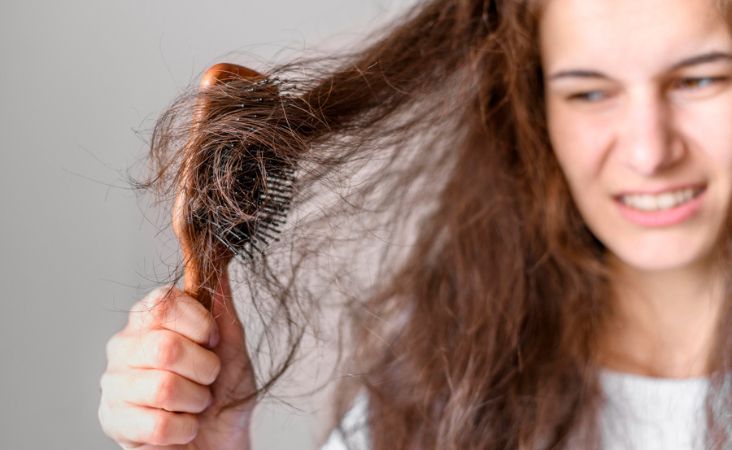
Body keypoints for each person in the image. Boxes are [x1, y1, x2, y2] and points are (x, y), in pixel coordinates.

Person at [98, 0, 732, 448]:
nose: (651, 153)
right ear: (534, 112)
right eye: (589, 92)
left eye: (701, 79)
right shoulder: (443, 386)